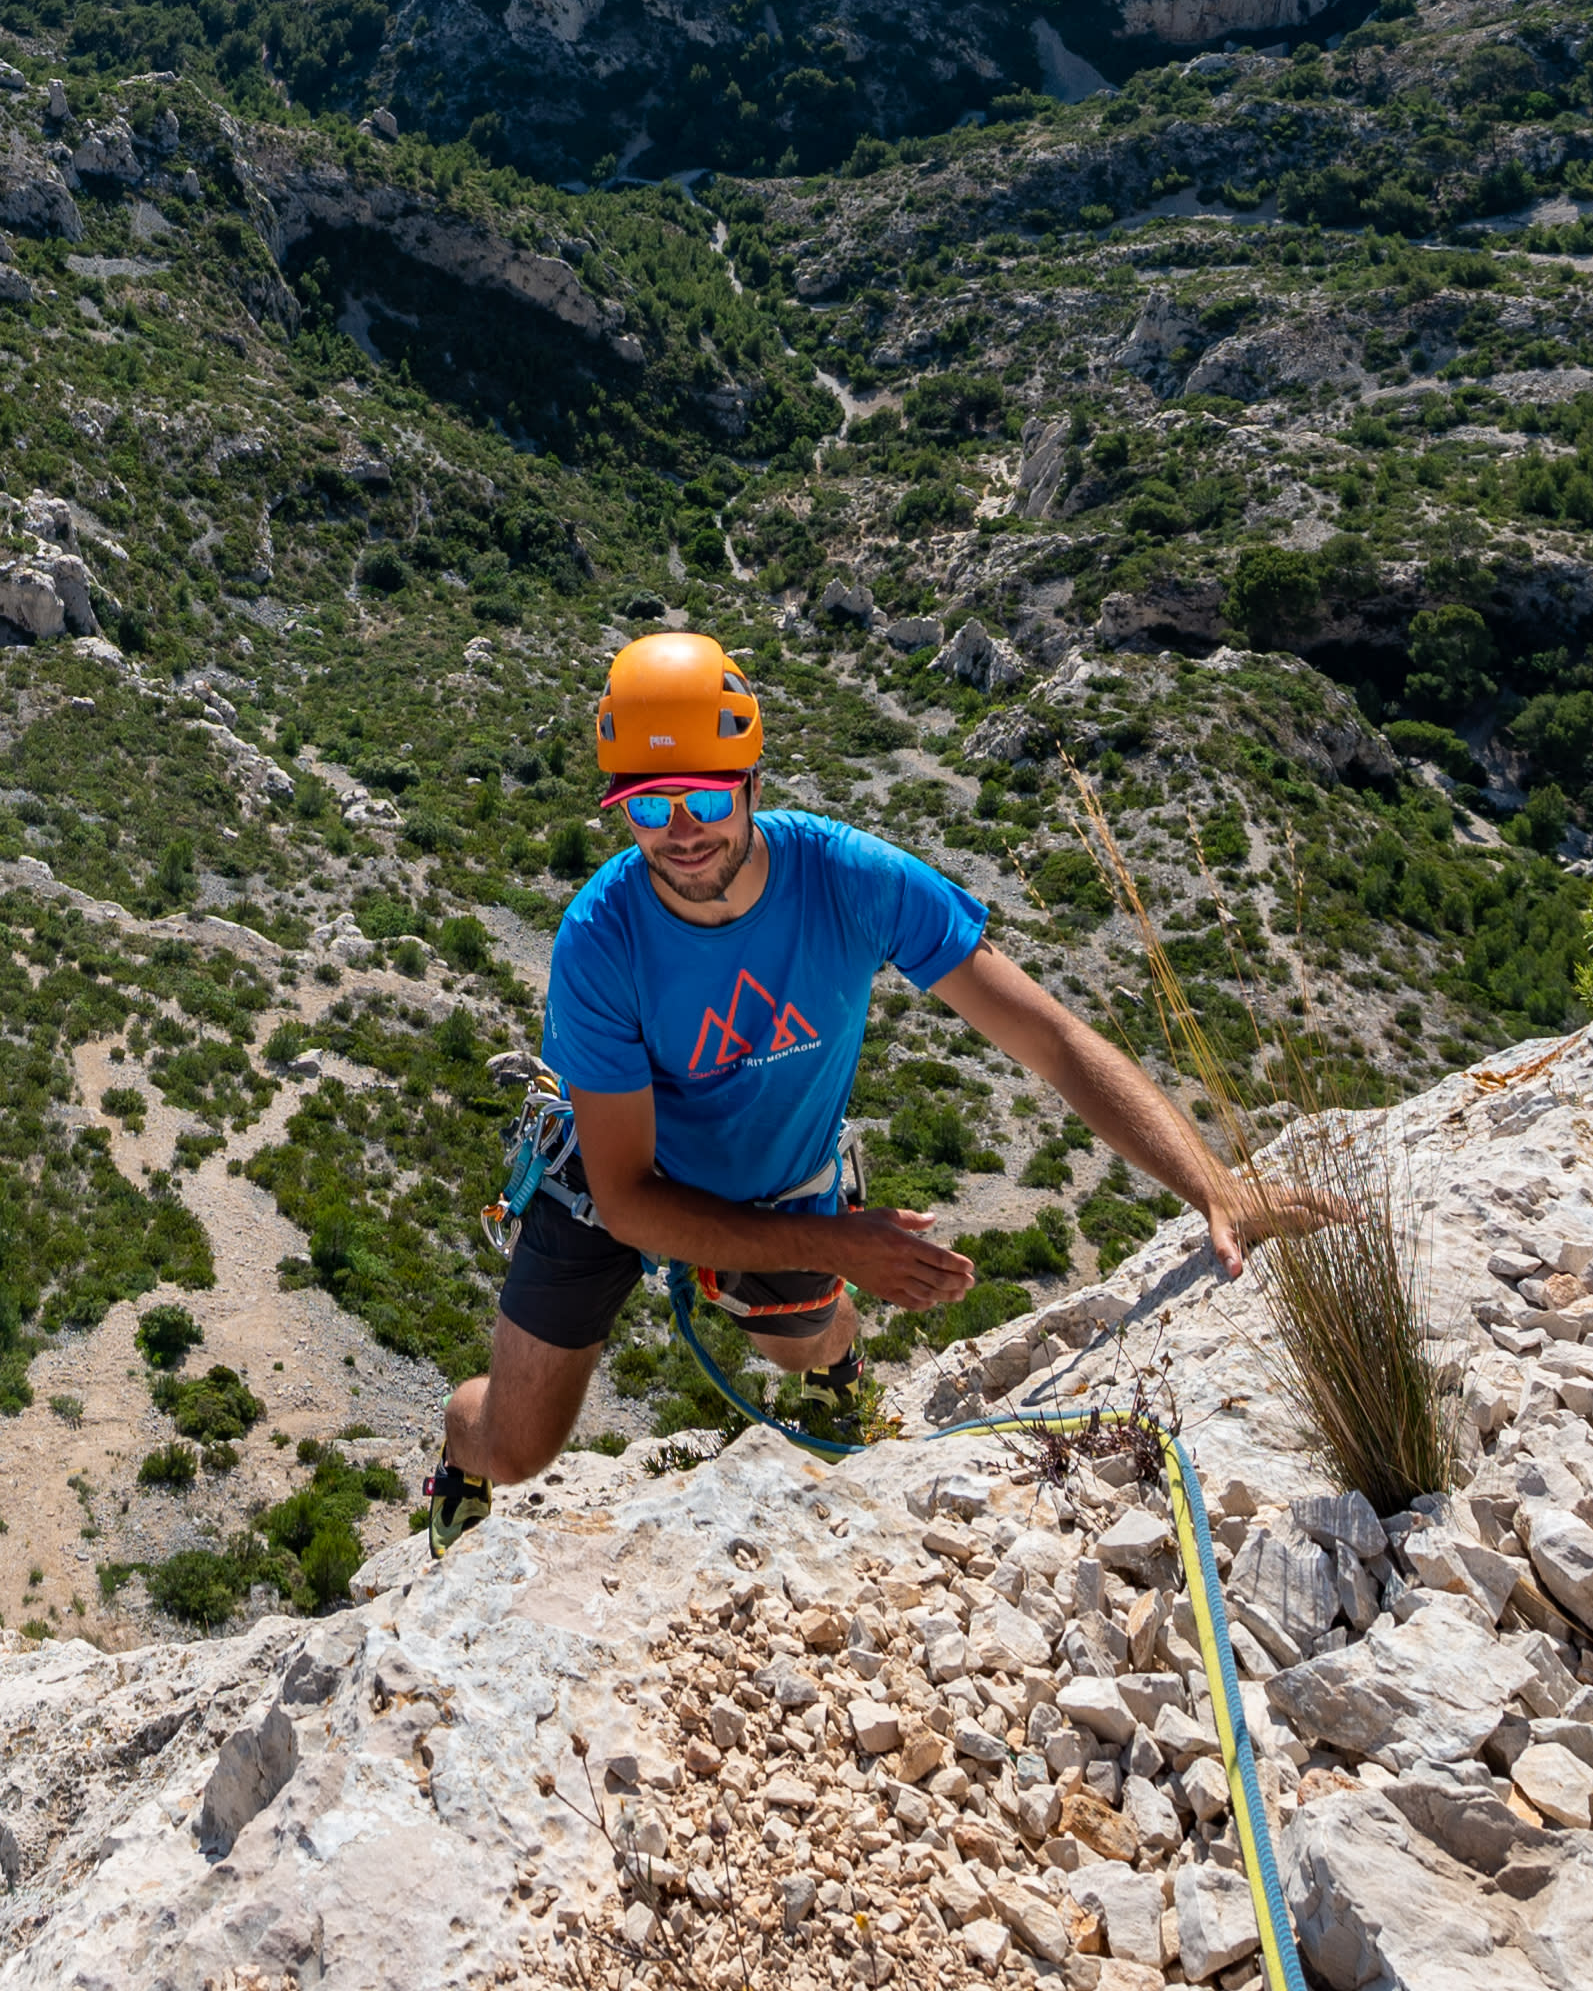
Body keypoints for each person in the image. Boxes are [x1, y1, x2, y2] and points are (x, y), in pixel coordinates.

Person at [426, 630, 1348, 1527]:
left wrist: (1214, 1187)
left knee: (797, 1345)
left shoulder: (851, 880)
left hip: (771, 1180)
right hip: (614, 1177)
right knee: (516, 1446)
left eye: (704, 798)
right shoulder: (601, 939)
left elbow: (1053, 1040)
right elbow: (629, 1200)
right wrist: (839, 1243)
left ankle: (834, 1362)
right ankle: (460, 1458)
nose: (681, 832)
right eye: (648, 806)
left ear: (753, 784)